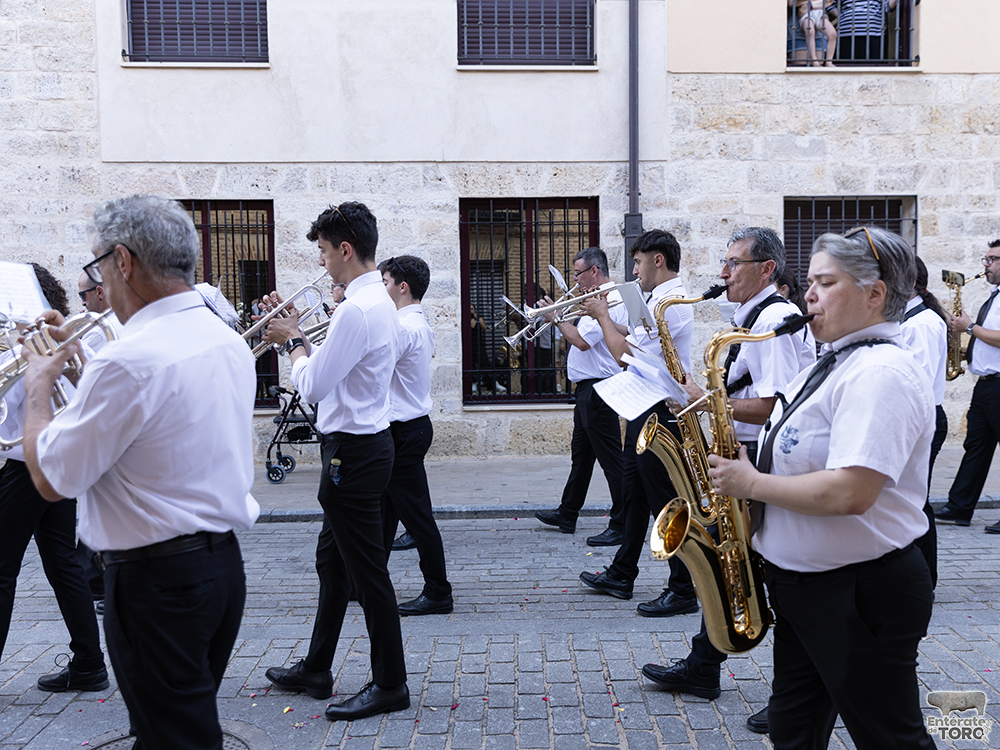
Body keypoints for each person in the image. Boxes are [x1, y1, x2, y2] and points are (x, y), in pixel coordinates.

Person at [21, 195, 259, 749]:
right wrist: (82, 369)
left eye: (97, 265)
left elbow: (52, 479)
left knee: (176, 740)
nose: (98, 279)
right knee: (171, 730)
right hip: (220, 568)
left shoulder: (130, 358)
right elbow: (143, 435)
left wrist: (37, 388)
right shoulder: (223, 338)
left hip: (157, 584)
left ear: (122, 262)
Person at [708, 226, 935, 749]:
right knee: (794, 729)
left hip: (858, 594)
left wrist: (751, 482)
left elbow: (849, 492)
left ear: (875, 294)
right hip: (811, 588)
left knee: (890, 739)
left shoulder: (880, 373)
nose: (806, 294)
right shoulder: (838, 359)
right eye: (809, 280)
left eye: (825, 282)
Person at [641, 228, 815, 727]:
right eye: (723, 261)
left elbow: (777, 405)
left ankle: (792, 696)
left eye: (734, 263)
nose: (722, 273)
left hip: (762, 456)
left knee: (770, 571)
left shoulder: (774, 321)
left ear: (766, 269)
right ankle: (704, 663)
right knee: (724, 557)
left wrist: (703, 399)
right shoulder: (750, 316)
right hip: (738, 452)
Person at [261, 202, 409, 721]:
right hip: (365, 447)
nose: (321, 262)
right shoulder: (378, 303)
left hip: (354, 452)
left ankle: (391, 682)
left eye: (323, 251)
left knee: (368, 575)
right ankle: (317, 667)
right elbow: (339, 368)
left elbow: (315, 386)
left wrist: (293, 342)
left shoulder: (356, 309)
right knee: (332, 562)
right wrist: (301, 332)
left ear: (345, 249)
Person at [575, 230, 697, 617]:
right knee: (633, 494)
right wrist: (609, 318)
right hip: (643, 405)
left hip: (662, 411)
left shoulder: (670, 304)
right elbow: (636, 338)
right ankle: (622, 572)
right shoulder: (654, 299)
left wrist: (602, 317)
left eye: (638, 262)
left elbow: (625, 355)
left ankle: (684, 588)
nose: (634, 269)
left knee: (665, 504)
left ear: (657, 260)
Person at [0, 264, 109, 695]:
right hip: (51, 460)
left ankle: (90, 662)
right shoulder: (26, 345)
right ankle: (88, 662)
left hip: (28, 463)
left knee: (2, 567)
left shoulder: (33, 346)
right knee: (61, 560)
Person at [535, 247, 627, 545]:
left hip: (599, 389)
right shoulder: (593, 298)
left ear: (594, 272)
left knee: (612, 460)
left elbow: (582, 340)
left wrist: (554, 318)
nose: (575, 279)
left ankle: (623, 523)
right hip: (588, 389)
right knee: (582, 457)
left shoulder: (606, 299)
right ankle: (568, 512)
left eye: (578, 273)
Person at [378, 254, 454, 616]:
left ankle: (438, 591)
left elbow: (366, 368)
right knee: (384, 515)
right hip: (406, 428)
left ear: (402, 287)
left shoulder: (404, 328)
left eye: (385, 283)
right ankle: (365, 581)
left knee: (417, 517)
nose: (382, 289)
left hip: (403, 431)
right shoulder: (412, 324)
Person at [936, 239, 1000, 530]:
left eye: (992, 259)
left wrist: (969, 328)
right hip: (985, 386)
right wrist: (965, 351)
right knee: (976, 446)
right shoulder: (994, 297)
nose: (985, 265)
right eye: (986, 259)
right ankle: (959, 508)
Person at [900, 256, 948, 584]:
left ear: (911, 284)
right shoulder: (910, 320)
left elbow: (918, 379)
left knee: (917, 502)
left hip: (923, 418)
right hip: (917, 418)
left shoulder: (922, 323)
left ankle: (924, 578)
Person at [796, 0, 836, 66]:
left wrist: (809, 5)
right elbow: (794, 3)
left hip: (819, 13)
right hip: (805, 14)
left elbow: (829, 2)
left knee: (832, 33)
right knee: (810, 31)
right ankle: (814, 60)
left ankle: (829, 62)